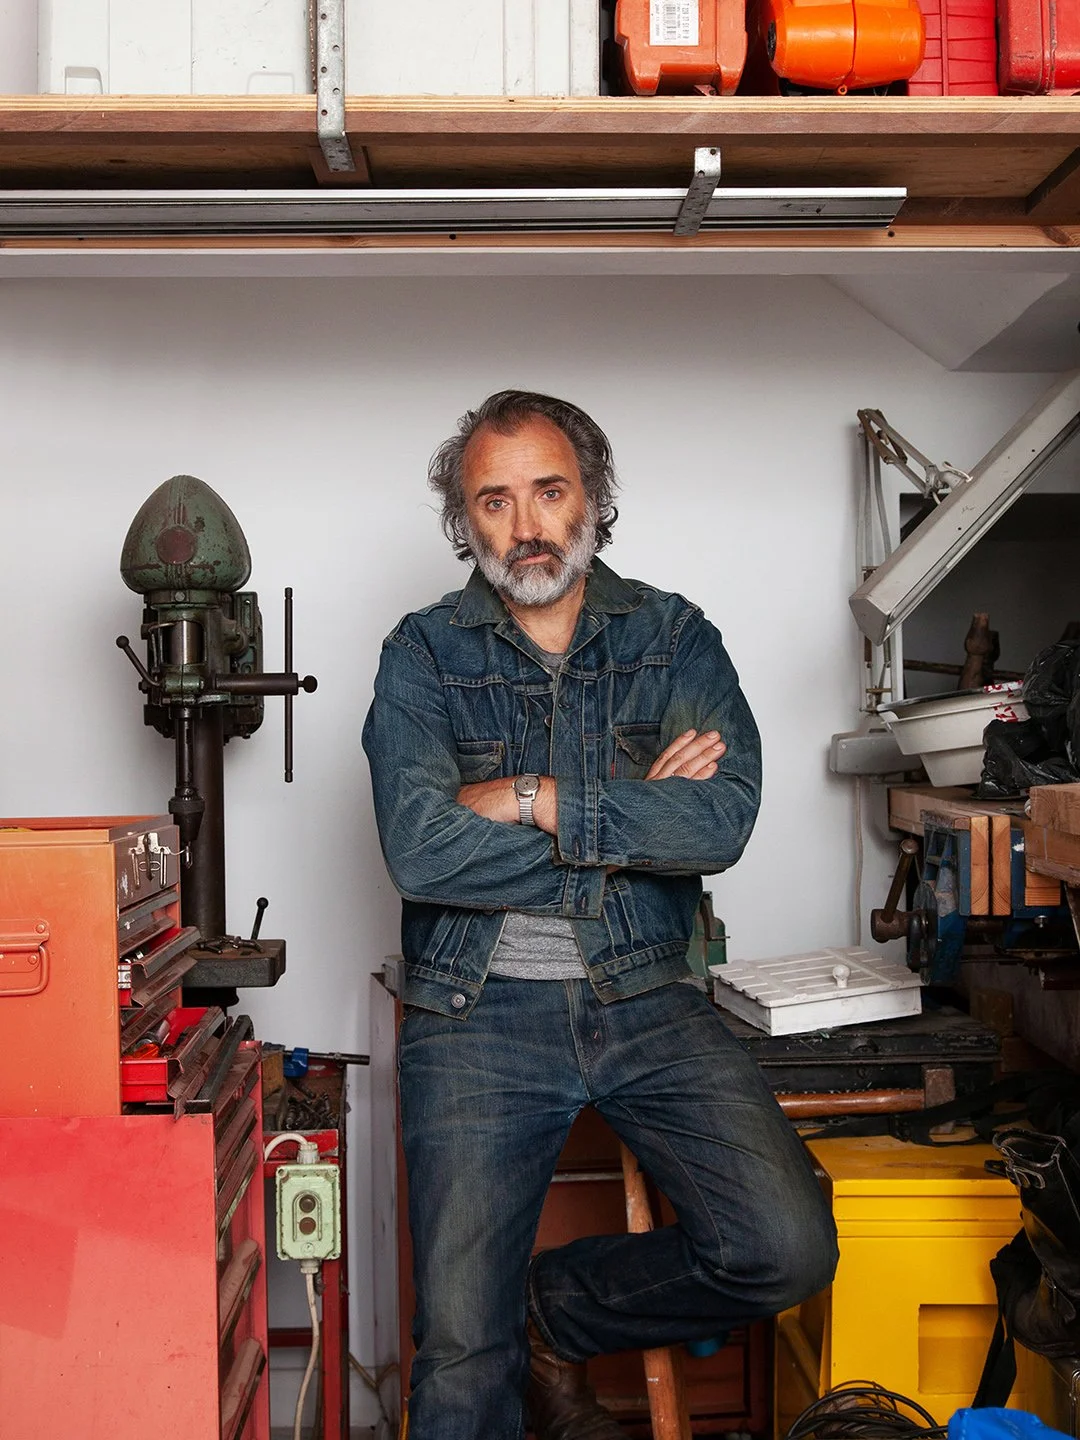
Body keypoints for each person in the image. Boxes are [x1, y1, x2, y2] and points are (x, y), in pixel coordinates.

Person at [362, 391, 838, 1440]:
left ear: (593, 500)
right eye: (494, 500)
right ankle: (500, 1322)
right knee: (457, 1354)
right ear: (464, 520)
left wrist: (531, 800)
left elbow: (718, 825)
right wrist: (631, 834)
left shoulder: (673, 639)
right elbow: (419, 849)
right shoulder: (424, 655)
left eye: (549, 490)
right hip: (475, 1006)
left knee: (786, 1246)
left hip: (647, 993)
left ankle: (559, 1306)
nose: (525, 525)